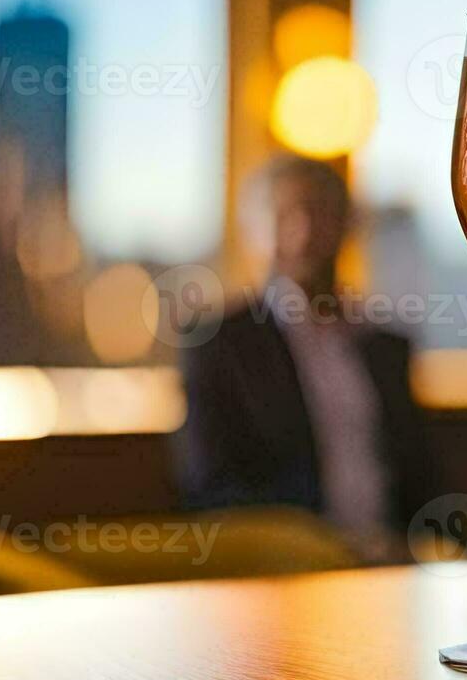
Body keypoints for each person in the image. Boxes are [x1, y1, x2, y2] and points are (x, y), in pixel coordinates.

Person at [176, 155, 432, 557]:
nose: (304, 232)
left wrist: (455, 548)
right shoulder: (219, 343)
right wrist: (323, 546)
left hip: (398, 564)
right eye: (284, 215)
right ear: (254, 233)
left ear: (348, 226)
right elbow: (212, 487)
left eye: (319, 212)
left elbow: (425, 477)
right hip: (289, 568)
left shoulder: (386, 346)